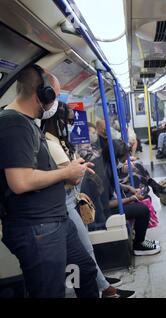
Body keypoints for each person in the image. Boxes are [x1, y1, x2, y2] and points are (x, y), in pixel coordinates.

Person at [0, 65, 99, 298]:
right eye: (54, 94)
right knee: (49, 292)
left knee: (84, 270)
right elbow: (20, 181)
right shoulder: (14, 124)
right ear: (44, 94)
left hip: (54, 222)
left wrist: (73, 172)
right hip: (38, 229)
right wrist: (65, 174)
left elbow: (37, 174)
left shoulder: (28, 123)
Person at [42, 102, 136, 298]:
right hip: (66, 201)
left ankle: (100, 281)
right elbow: (73, 177)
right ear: (57, 120)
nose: (70, 126)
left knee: (86, 250)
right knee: (85, 251)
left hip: (72, 198)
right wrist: (79, 169)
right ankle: (106, 290)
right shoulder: (50, 144)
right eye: (67, 121)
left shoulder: (58, 141)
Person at [95, 139, 161, 256]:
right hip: (101, 213)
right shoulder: (102, 173)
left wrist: (127, 188)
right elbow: (106, 204)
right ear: (115, 157)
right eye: (123, 160)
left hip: (103, 204)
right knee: (143, 210)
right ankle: (138, 245)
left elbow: (112, 183)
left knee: (137, 189)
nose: (124, 162)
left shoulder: (103, 163)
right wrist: (131, 199)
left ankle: (139, 239)